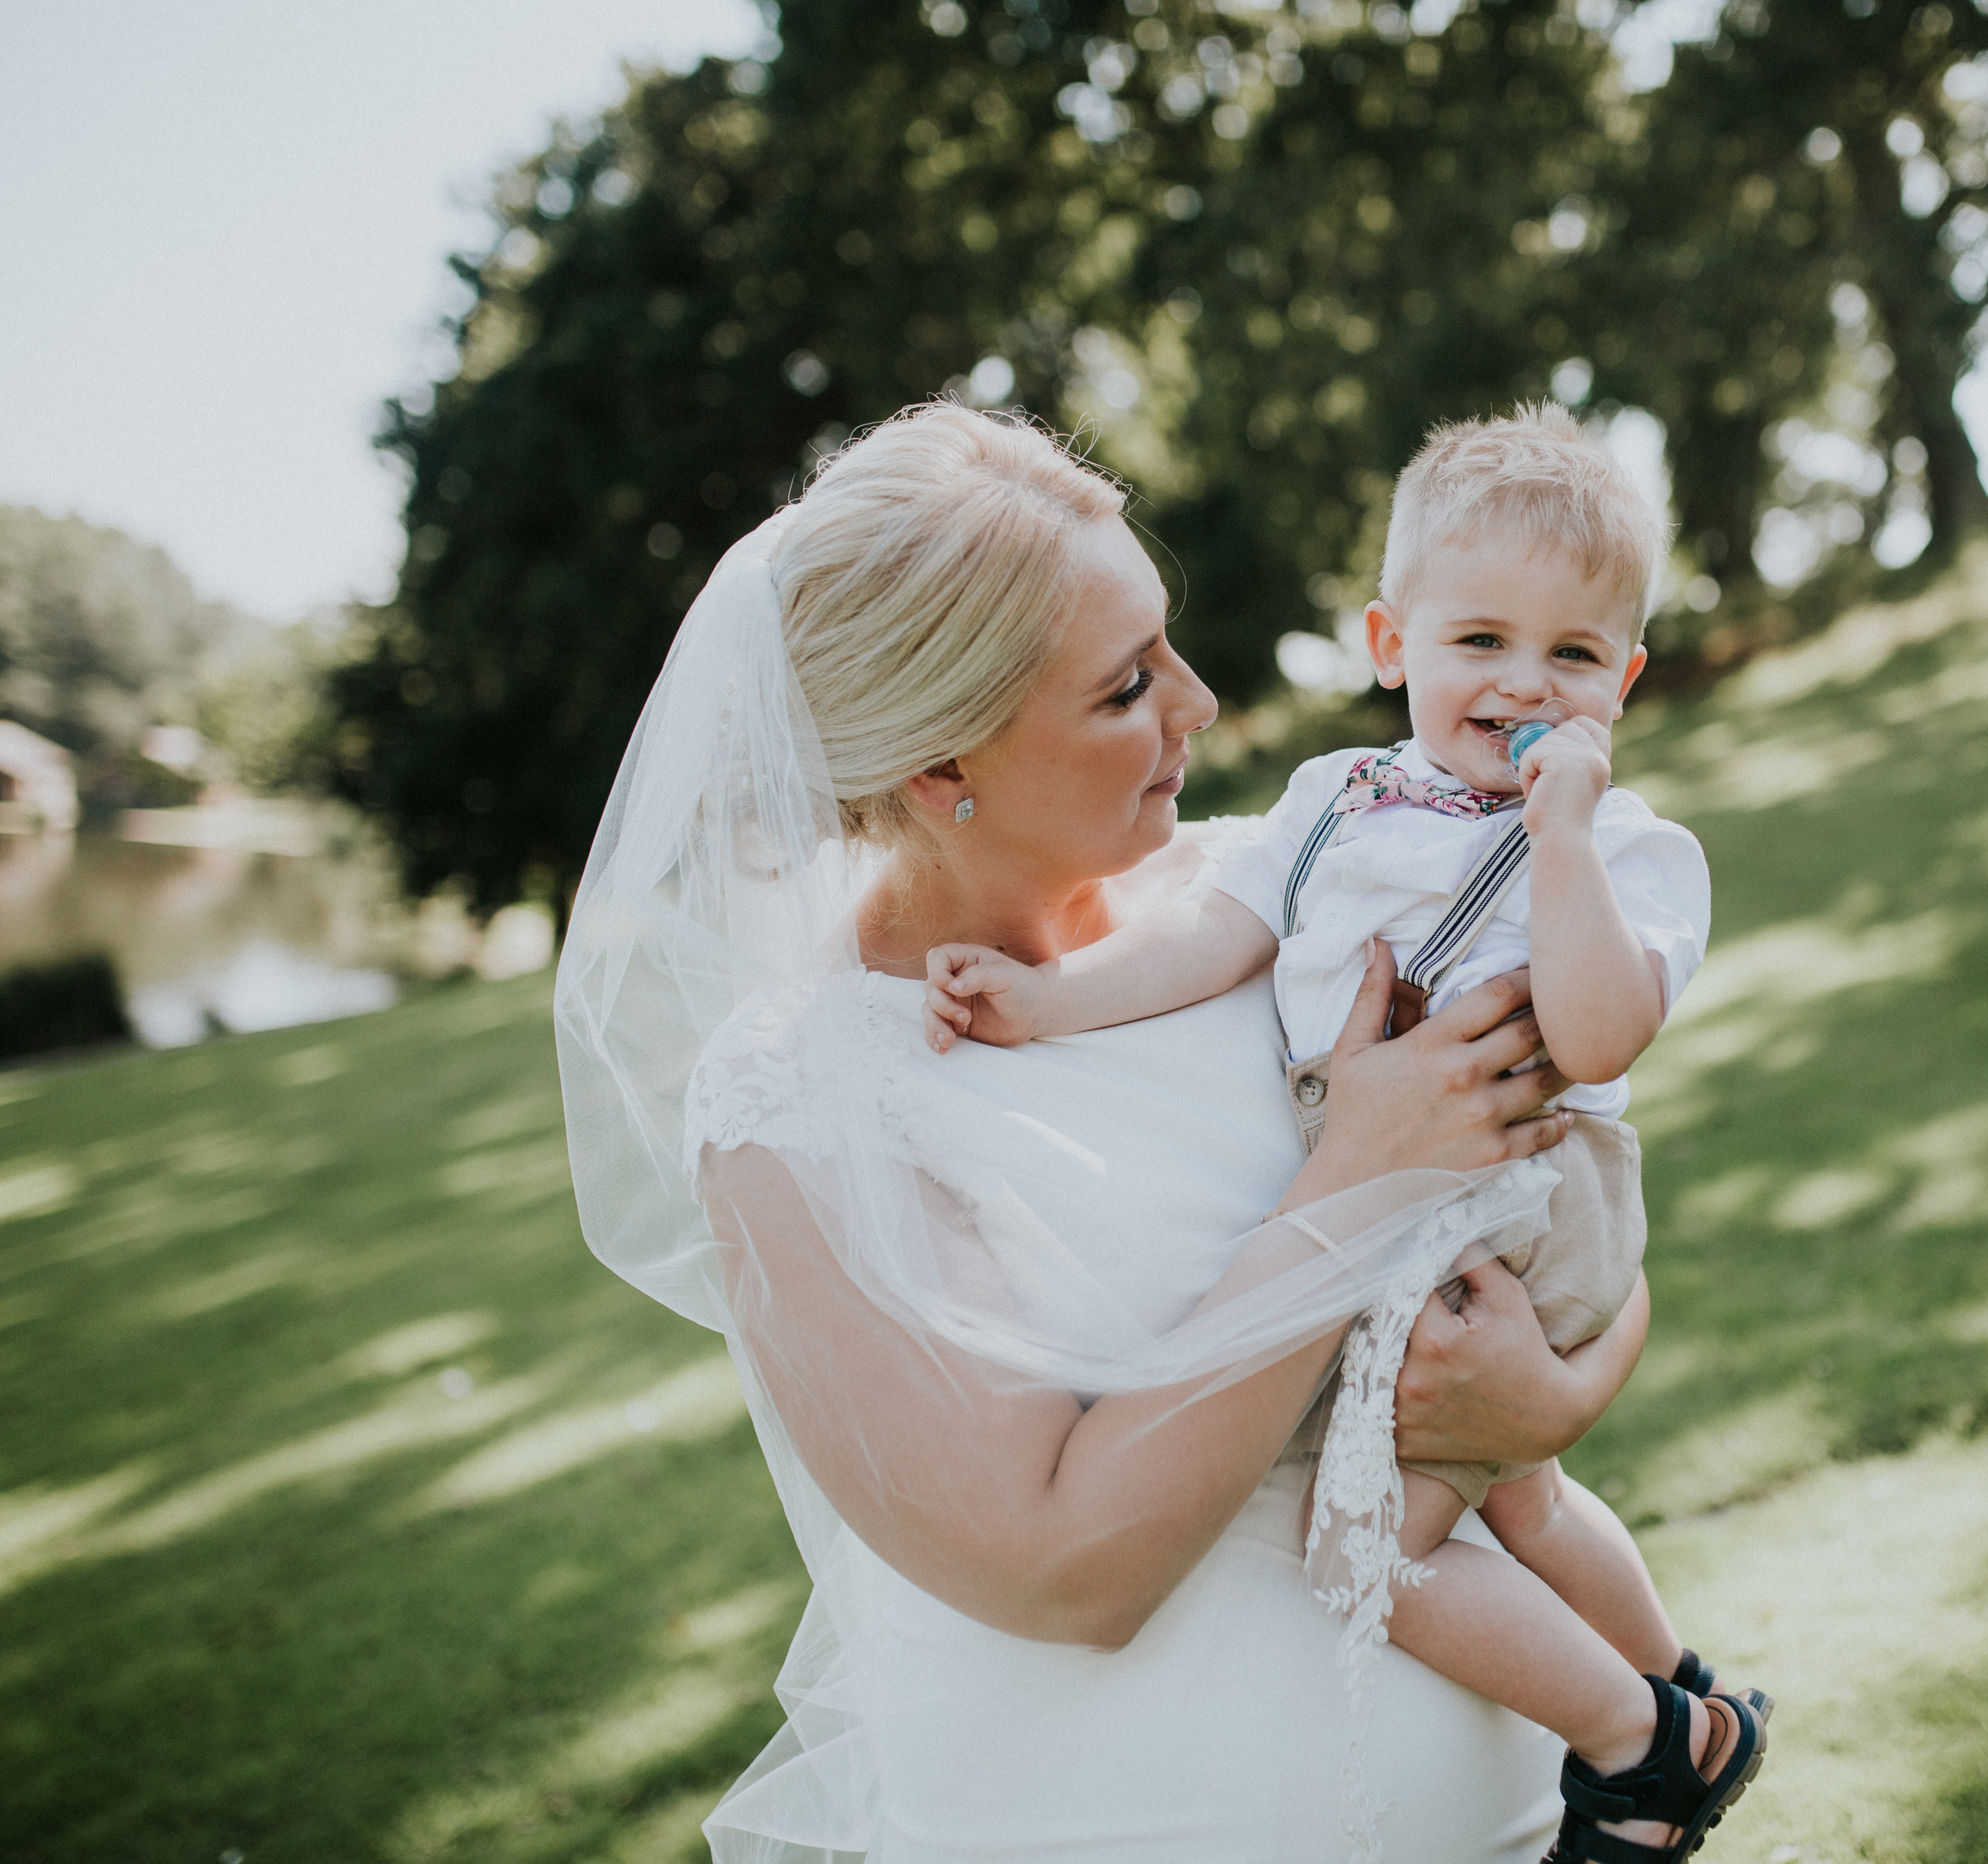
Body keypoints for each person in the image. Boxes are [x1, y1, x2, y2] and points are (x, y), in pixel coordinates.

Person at [555, 401, 1669, 1864]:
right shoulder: (798, 1104)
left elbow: (1573, 1179)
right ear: (942, 763)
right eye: (1126, 686)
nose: (1200, 705)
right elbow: (1057, 1569)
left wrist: (1555, 1401)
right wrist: (1359, 1173)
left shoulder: (1274, 907)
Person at [916, 405, 1768, 1862]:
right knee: (1522, 1492)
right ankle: (1687, 1694)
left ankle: (1641, 1754)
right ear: (1392, 644)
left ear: (1621, 681)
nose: (1521, 686)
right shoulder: (1329, 800)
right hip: (1400, 1187)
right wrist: (1048, 1005)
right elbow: (1215, 940)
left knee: (1367, 1540)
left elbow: (1603, 1032)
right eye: (1480, 641)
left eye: (1571, 658)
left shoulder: (1628, 851)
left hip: (1519, 1192)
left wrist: (1560, 837)